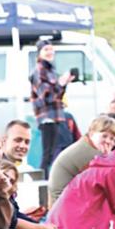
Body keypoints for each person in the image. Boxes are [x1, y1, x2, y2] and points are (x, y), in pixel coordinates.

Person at [48, 115, 115, 205]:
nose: (108, 141)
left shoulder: (87, 145)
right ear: (91, 133)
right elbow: (106, 186)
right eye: (104, 136)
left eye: (112, 139)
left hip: (69, 202)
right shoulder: (89, 153)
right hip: (65, 206)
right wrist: (106, 158)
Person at [29, 39, 74, 174]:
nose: (50, 52)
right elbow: (47, 97)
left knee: (52, 151)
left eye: (51, 49)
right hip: (46, 116)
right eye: (46, 50)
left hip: (55, 116)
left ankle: (46, 179)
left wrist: (64, 83)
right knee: (48, 153)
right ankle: (43, 181)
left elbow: (57, 95)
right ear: (39, 53)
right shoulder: (39, 70)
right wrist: (61, 83)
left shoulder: (50, 69)